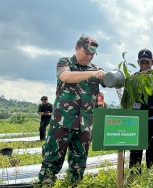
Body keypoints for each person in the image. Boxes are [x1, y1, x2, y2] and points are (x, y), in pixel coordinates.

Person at [38, 34, 105, 185]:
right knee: (51, 161)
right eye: (86, 52)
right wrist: (92, 74)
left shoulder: (97, 70)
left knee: (78, 166)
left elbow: (113, 82)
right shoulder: (65, 62)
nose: (89, 57)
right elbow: (66, 77)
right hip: (62, 123)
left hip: (84, 125)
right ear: (76, 48)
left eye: (92, 54)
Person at [129, 48, 153, 174]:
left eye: (147, 63)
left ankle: (152, 171)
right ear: (138, 63)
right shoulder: (133, 79)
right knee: (136, 148)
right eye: (142, 63)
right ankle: (134, 172)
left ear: (152, 62)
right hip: (139, 118)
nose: (144, 66)